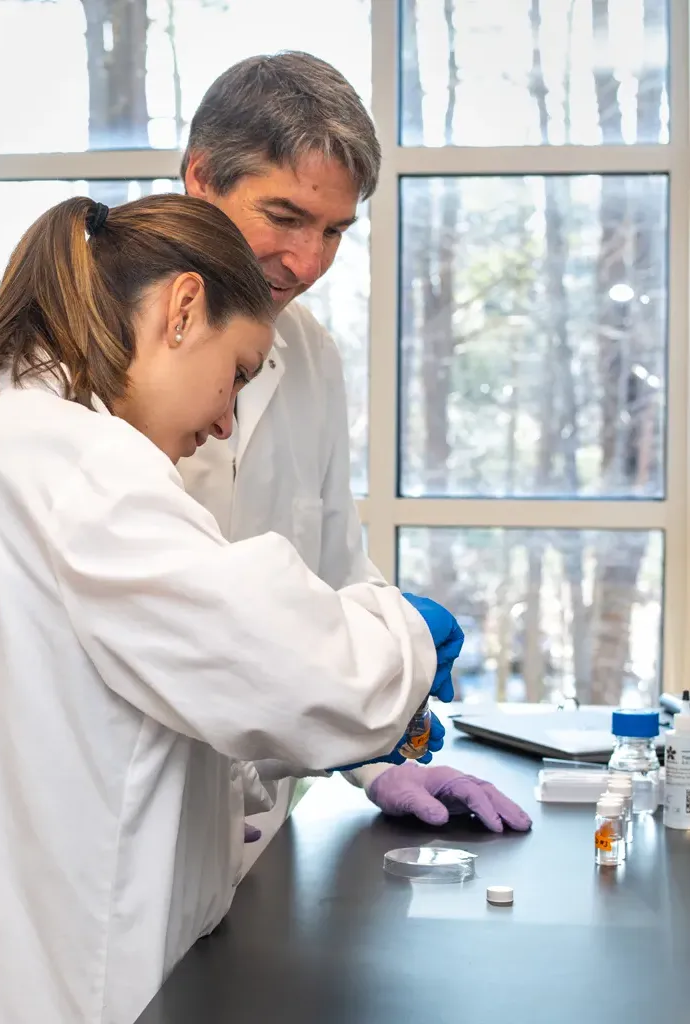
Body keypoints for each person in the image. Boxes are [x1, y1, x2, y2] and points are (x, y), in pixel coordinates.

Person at [0, 193, 454, 1024]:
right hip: (76, 976)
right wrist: (408, 636)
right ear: (184, 308)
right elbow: (311, 679)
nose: (225, 421)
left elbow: (87, 709)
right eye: (238, 375)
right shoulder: (88, 470)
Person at [177, 51, 532, 838]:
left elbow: (331, 574)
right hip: (116, 831)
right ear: (201, 178)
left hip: (258, 834)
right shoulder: (57, 356)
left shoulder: (309, 350)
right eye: (285, 217)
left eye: (335, 229)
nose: (309, 263)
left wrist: (383, 752)